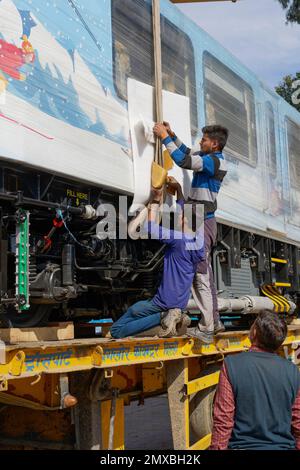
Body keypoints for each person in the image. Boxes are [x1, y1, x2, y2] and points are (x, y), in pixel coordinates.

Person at [153, 122, 229, 344]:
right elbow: (187, 152)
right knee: (204, 274)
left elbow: (184, 160)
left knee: (200, 275)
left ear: (214, 144)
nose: (200, 142)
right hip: (199, 220)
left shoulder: (214, 162)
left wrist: (164, 137)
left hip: (202, 223)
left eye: (204, 140)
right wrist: (173, 136)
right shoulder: (209, 158)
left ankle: (206, 328)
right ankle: (214, 322)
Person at [110, 180, 205, 339]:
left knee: (117, 330)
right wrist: (179, 191)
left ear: (184, 221)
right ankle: (173, 315)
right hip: (179, 301)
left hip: (166, 302)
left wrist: (155, 199)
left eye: (181, 217)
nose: (179, 217)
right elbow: (186, 214)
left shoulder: (177, 240)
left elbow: (150, 229)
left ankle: (164, 317)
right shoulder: (198, 244)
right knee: (136, 309)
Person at [210, 310, 300, 450]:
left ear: (255, 333)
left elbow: (223, 420)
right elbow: (298, 421)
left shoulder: (231, 365)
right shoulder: (293, 371)